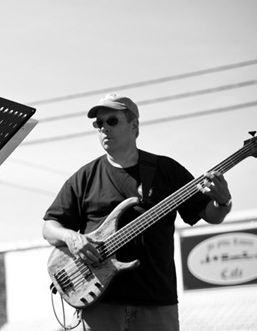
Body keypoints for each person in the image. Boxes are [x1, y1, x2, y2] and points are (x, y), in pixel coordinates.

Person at [42, 94, 233, 331]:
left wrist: (223, 202)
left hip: (156, 303)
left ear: (134, 126)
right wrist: (72, 238)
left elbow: (210, 214)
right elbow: (50, 227)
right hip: (100, 303)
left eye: (112, 121)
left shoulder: (166, 170)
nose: (103, 128)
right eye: (98, 124)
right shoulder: (85, 176)